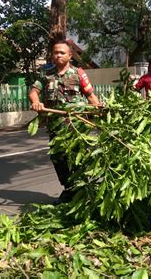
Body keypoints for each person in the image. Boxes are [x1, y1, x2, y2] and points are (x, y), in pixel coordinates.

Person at [29, 39, 100, 203]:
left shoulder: (78, 73)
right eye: (55, 52)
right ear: (52, 55)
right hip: (56, 126)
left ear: (69, 55)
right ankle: (69, 189)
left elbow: (90, 96)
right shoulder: (46, 73)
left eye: (62, 52)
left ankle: (81, 191)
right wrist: (36, 102)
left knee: (76, 158)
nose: (58, 55)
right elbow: (34, 92)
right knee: (58, 158)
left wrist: (99, 110)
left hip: (77, 125)